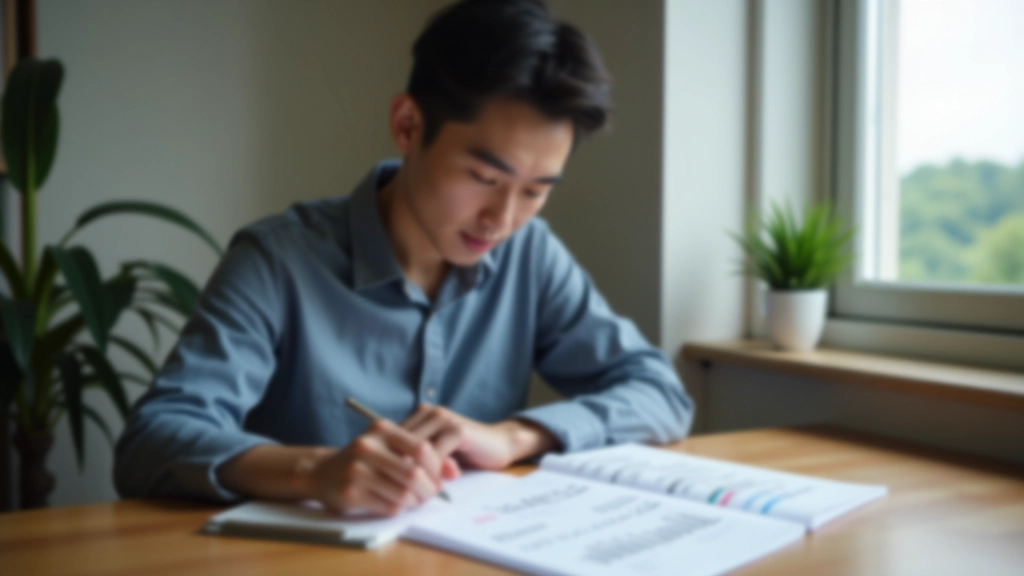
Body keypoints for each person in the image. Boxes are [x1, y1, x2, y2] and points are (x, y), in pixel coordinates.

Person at [114, 0, 693, 516]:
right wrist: (313, 471)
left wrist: (515, 437)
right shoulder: (278, 261)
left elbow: (659, 394)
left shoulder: (529, 255)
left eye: (537, 190)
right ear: (407, 124)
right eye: (485, 176)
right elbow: (151, 441)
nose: (503, 218)